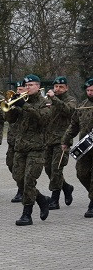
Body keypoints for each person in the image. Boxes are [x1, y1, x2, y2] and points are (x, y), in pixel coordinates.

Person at [6, 74, 52, 226]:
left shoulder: (45, 102)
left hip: (37, 148)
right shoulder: (22, 100)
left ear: (38, 86)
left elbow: (42, 119)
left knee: (28, 181)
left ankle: (27, 214)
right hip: (20, 147)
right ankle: (41, 198)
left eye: (31, 85)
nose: (28, 88)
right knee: (18, 178)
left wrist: (23, 106)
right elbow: (10, 120)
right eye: (26, 86)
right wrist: (11, 107)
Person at [62, 77, 93, 217]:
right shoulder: (82, 105)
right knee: (81, 173)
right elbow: (74, 125)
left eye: (92, 90)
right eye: (88, 90)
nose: (90, 92)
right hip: (85, 147)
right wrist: (66, 140)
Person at [44, 76, 76, 209]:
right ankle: (67, 188)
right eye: (56, 87)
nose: (58, 89)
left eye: (61, 87)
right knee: (48, 169)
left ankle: (54, 198)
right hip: (48, 140)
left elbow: (68, 111)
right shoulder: (49, 100)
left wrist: (54, 99)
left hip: (62, 140)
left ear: (66, 88)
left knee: (57, 169)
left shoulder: (71, 100)